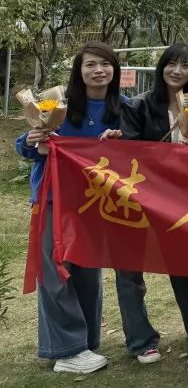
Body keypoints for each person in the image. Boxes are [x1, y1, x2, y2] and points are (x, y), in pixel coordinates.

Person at [15, 42, 125, 375]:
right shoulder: (58, 106)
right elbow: (25, 146)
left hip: (95, 202)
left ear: (115, 71)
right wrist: (34, 139)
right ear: (79, 71)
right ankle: (67, 350)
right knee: (55, 272)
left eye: (106, 64)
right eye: (90, 64)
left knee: (87, 273)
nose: (98, 70)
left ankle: (87, 342)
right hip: (53, 199)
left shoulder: (122, 108)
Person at [119, 43, 188, 361]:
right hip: (141, 198)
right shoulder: (139, 105)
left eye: (186, 65)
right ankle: (140, 340)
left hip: (184, 200)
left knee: (184, 265)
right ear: (162, 66)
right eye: (172, 64)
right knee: (130, 271)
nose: (177, 70)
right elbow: (130, 152)